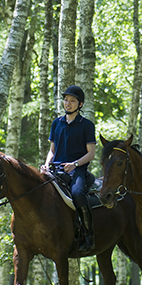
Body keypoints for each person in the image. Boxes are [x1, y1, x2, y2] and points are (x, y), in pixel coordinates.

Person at [42, 85, 97, 253]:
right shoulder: (56, 123)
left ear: (80, 104)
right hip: (55, 169)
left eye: (72, 101)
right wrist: (46, 165)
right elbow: (52, 149)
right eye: (66, 100)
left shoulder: (86, 125)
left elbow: (91, 153)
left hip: (77, 170)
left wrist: (74, 164)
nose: (68, 103)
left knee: (78, 194)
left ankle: (88, 235)